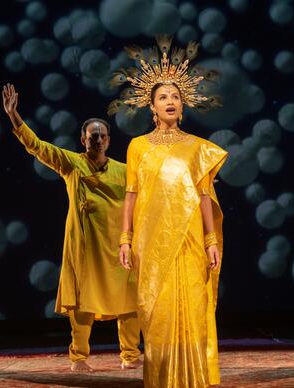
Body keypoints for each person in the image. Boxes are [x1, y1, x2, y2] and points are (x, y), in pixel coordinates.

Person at [1, 83, 142, 372]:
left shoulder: (125, 171)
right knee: (82, 302)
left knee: (129, 300)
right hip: (85, 248)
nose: (98, 140)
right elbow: (38, 147)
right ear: (83, 139)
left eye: (102, 136)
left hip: (119, 248)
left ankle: (130, 355)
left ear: (109, 140)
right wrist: (14, 116)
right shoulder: (72, 164)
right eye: (93, 136)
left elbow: (154, 188)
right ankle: (79, 358)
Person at [113, 36, 227, 387]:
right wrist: (125, 239)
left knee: (192, 306)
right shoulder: (137, 147)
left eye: (176, 96)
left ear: (184, 104)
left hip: (190, 241)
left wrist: (211, 240)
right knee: (158, 310)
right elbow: (131, 195)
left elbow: (204, 195)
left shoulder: (197, 149)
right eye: (163, 96)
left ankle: (194, 378)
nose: (171, 101)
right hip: (152, 242)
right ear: (152, 106)